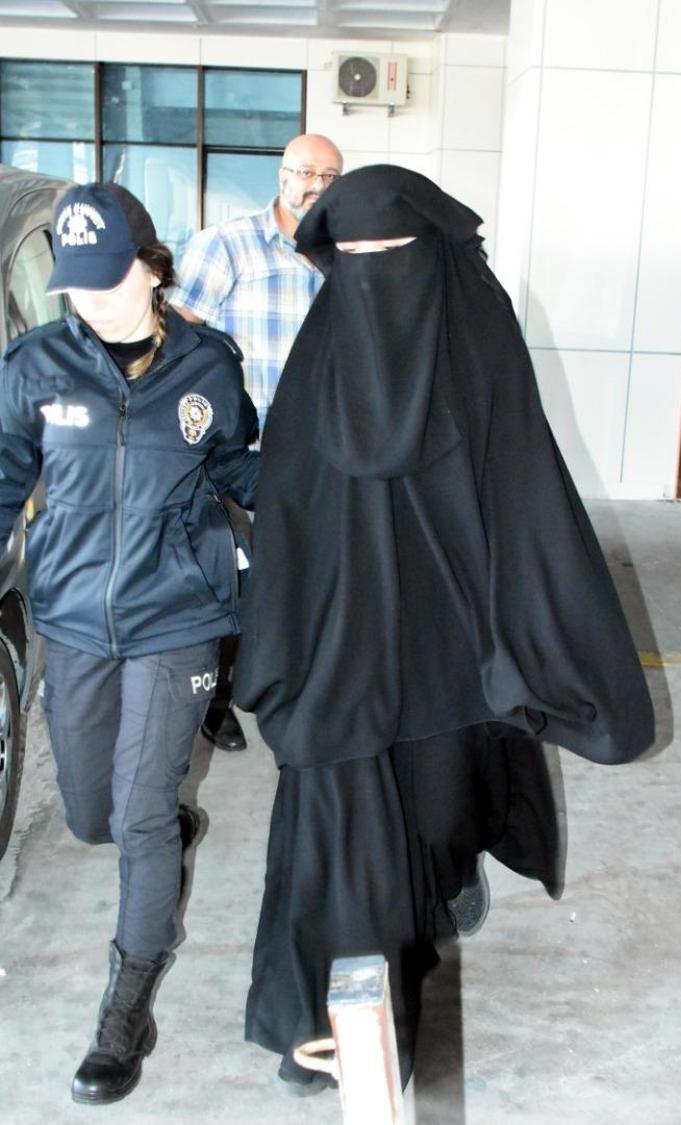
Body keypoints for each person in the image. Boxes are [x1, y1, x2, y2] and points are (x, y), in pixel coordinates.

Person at [232, 165, 655, 1094]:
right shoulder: (323, 351)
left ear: (432, 252)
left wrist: (533, 625)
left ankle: (443, 882)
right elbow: (290, 504)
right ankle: (325, 1022)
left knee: (437, 814)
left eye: (390, 252)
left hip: (454, 643)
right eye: (352, 255)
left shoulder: (478, 336)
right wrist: (278, 637)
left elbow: (524, 486)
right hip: (341, 647)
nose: (372, 272)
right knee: (338, 820)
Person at [0, 182, 259, 1105]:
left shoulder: (207, 366)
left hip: (176, 615)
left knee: (141, 813)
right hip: (72, 617)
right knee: (91, 815)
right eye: (75, 284)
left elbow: (238, 466)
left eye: (109, 280)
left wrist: (325, 498)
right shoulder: (34, 366)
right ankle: (164, 829)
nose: (91, 301)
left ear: (153, 268)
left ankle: (125, 1010)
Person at [171, 132, 344, 752]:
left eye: (330, 177)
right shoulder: (227, 245)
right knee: (233, 582)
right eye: (306, 173)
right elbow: (177, 340)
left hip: (321, 453)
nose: (316, 187)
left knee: (307, 580)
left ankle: (295, 689)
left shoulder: (345, 256)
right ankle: (216, 698)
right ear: (282, 175)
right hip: (237, 453)